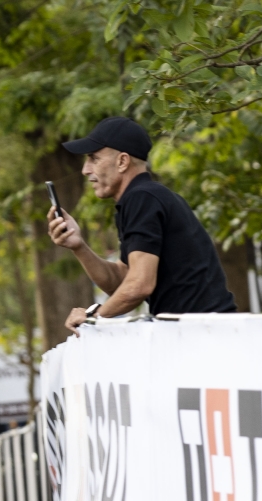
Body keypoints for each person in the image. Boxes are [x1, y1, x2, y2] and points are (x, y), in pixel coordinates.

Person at [47, 116, 236, 336]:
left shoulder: (142, 198)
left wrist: (94, 318)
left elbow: (139, 285)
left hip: (203, 336)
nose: (85, 170)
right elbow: (122, 281)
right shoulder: (144, 198)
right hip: (198, 333)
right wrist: (78, 246)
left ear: (122, 162)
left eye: (93, 158)